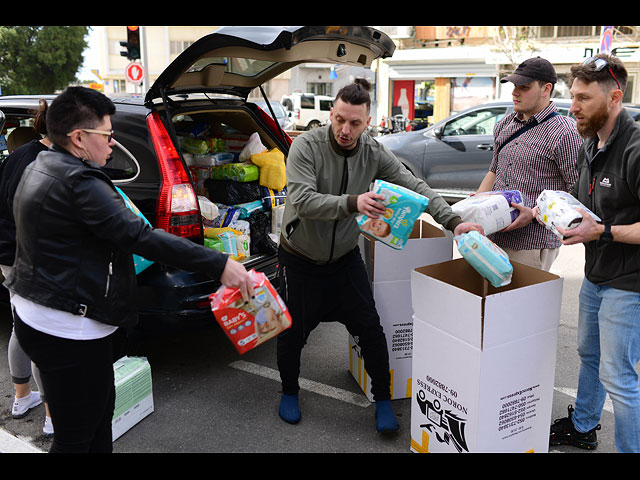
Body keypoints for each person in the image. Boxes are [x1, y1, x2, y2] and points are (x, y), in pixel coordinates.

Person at [5, 86, 252, 453]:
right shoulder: (79, 184)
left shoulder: (40, 164)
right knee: (77, 435)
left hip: (42, 313)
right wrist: (220, 264)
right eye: (106, 134)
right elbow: (143, 237)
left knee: (98, 415)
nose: (112, 141)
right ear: (77, 138)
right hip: (68, 328)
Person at [276, 78, 483, 433]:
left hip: (343, 258)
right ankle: (290, 391)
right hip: (300, 258)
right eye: (340, 119)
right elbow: (305, 202)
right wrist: (354, 202)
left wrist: (452, 219)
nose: (345, 129)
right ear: (331, 113)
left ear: (367, 122)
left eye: (355, 123)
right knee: (292, 333)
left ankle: (384, 400)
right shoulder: (306, 146)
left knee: (371, 328)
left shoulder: (372, 151)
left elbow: (413, 183)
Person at [548, 54, 640, 453]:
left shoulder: (635, 150)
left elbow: (602, 224)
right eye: (573, 96)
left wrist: (600, 231)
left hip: (629, 284)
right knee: (589, 356)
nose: (573, 106)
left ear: (614, 96)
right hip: (596, 276)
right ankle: (584, 426)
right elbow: (590, 207)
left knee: (618, 377)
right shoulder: (591, 143)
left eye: (583, 97)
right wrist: (540, 212)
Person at [476, 56, 582, 271]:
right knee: (491, 302)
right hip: (493, 236)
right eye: (515, 86)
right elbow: (494, 171)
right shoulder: (505, 124)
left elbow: (576, 194)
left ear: (546, 89)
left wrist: (532, 215)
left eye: (524, 87)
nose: (515, 92)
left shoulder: (565, 132)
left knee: (522, 304)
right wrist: (475, 208)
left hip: (531, 244)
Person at [0, 100, 53, 437]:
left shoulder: (17, 157)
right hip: (31, 258)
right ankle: (53, 415)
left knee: (23, 324)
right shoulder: (49, 164)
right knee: (44, 333)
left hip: (8, 256)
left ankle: (22, 397)